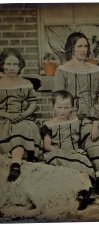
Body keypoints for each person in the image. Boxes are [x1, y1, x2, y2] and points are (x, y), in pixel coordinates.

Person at [53, 32, 99, 196]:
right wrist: (71, 114)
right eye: (79, 46)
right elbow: (59, 99)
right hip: (75, 113)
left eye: (86, 46)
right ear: (71, 48)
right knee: (91, 132)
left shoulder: (94, 69)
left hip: (94, 110)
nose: (83, 49)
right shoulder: (63, 70)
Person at [40, 90, 96, 210]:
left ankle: (84, 192)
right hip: (57, 152)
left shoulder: (75, 120)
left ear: (72, 107)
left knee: (82, 162)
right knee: (57, 162)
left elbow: (94, 117)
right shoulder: (48, 125)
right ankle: (63, 194)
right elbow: (47, 146)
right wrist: (61, 151)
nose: (63, 111)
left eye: (66, 107)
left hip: (74, 151)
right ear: (53, 107)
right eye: (59, 107)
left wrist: (95, 125)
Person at [0, 48, 41, 182]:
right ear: (2, 64)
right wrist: (7, 115)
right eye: (8, 64)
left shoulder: (26, 83)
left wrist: (23, 115)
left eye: (15, 64)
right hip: (3, 118)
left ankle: (16, 164)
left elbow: (32, 103)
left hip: (23, 118)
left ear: (20, 66)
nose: (11, 68)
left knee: (22, 127)